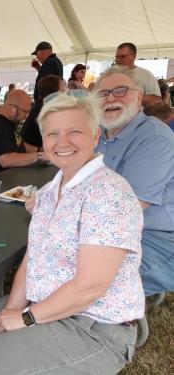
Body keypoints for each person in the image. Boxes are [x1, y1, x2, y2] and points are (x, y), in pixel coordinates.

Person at [0, 93, 144, 375]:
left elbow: (90, 287)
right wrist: (9, 313)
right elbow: (33, 258)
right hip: (44, 301)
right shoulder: (51, 190)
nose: (62, 142)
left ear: (95, 136)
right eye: (52, 133)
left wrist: (25, 319)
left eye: (74, 131)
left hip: (94, 325)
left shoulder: (108, 193)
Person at [94, 66, 174, 296]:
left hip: (158, 238)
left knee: (92, 281)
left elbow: (127, 206)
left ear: (139, 97)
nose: (110, 98)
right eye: (103, 93)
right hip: (113, 227)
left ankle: (127, 325)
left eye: (120, 90)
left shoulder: (154, 138)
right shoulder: (99, 132)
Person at [0, 89, 48, 178]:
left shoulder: (9, 122)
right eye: (25, 112)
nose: (26, 116)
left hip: (7, 177)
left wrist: (41, 150)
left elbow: (20, 144)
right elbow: (6, 160)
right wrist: (40, 156)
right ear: (13, 108)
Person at [21, 75, 67, 150]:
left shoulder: (42, 105)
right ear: (53, 93)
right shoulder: (44, 110)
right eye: (63, 90)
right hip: (37, 156)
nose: (67, 92)